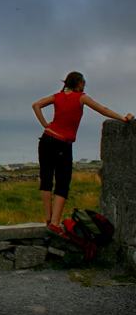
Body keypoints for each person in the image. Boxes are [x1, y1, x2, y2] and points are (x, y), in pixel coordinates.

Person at [32, 71, 133, 239]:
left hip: (46, 139)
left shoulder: (57, 96)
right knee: (63, 182)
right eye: (83, 83)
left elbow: (36, 105)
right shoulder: (81, 97)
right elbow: (103, 110)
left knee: (46, 179)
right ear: (79, 83)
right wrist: (124, 119)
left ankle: (48, 219)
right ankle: (54, 224)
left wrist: (45, 124)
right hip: (62, 143)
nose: (84, 86)